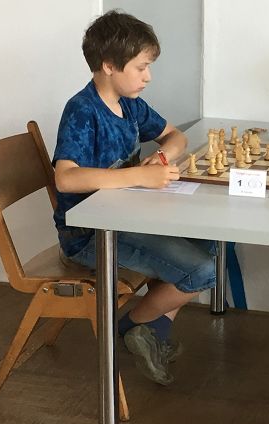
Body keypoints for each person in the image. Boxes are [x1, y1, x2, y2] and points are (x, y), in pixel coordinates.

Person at [52, 10, 216, 386]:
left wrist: (162, 157)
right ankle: (129, 328)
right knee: (203, 271)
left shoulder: (130, 105)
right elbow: (66, 178)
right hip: (90, 236)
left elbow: (175, 136)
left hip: (129, 218)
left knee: (210, 241)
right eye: (141, 67)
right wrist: (139, 175)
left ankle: (150, 331)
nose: (148, 76)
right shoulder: (83, 111)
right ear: (109, 65)